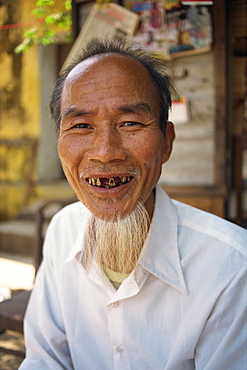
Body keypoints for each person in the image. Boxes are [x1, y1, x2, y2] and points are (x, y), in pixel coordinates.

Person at [19, 38, 246, 370]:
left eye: (130, 123)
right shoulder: (63, 230)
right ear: (59, 145)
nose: (106, 151)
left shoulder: (231, 267)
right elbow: (45, 359)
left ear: (166, 142)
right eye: (81, 126)